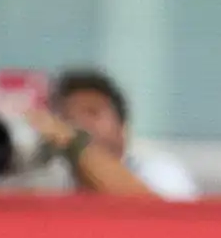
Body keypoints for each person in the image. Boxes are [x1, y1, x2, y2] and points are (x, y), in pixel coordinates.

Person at [27, 70, 198, 200]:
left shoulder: (159, 169)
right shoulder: (53, 181)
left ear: (122, 126)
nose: (80, 125)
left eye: (92, 113)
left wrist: (76, 144)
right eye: (68, 118)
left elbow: (158, 214)